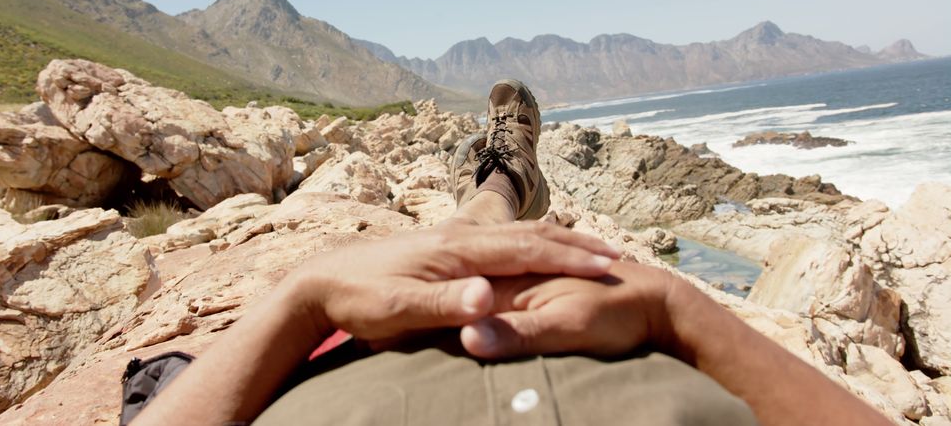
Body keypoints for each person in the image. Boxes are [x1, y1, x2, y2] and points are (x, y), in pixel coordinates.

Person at [132, 80, 892, 426]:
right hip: (614, 335)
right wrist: (676, 310)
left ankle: (497, 183)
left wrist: (305, 296)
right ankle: (505, 179)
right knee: (483, 239)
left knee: (467, 242)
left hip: (362, 343)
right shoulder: (666, 317)